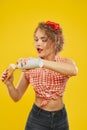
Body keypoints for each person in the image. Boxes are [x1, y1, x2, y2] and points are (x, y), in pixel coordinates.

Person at [1, 20, 78, 130]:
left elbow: (73, 70)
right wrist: (9, 84)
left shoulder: (65, 63)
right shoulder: (30, 66)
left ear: (56, 42)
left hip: (61, 118)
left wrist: (40, 63)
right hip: (37, 119)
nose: (38, 43)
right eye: (36, 39)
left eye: (43, 40)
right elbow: (16, 97)